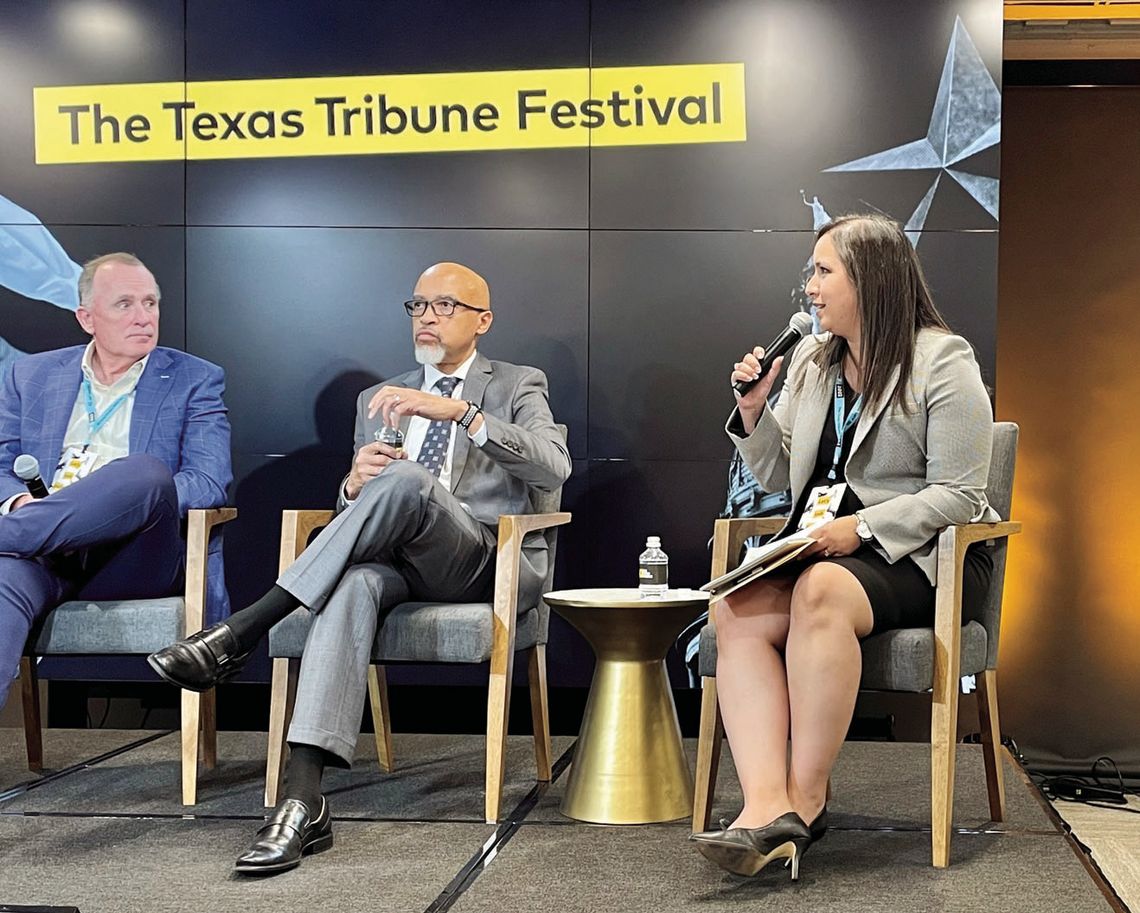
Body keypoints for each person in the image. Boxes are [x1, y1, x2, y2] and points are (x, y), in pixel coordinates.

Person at [149, 261, 572, 875]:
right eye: (418, 305)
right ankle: (301, 802)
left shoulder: (517, 383)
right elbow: (366, 509)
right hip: (396, 560)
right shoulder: (377, 398)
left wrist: (460, 415)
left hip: (482, 556)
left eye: (445, 306)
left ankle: (245, 627)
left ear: (483, 321)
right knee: (352, 581)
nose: (427, 316)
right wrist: (350, 485)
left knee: (407, 478)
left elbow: (553, 468)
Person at [689, 214, 998, 879]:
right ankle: (765, 805)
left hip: (925, 554)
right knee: (736, 607)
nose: (810, 287)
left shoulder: (943, 360)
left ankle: (805, 802)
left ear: (871, 278)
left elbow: (959, 495)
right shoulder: (810, 360)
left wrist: (859, 528)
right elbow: (780, 478)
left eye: (822, 271)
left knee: (820, 589)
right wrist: (753, 413)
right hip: (820, 546)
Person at [0, 252, 232, 710]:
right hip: (41, 556)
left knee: (143, 472)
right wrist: (14, 502)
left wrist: (115, 500)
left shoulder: (195, 379)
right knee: (2, 579)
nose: (144, 317)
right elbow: (1, 461)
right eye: (125, 304)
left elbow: (208, 482)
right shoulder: (31, 374)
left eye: (151, 303)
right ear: (86, 318)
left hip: (130, 555)